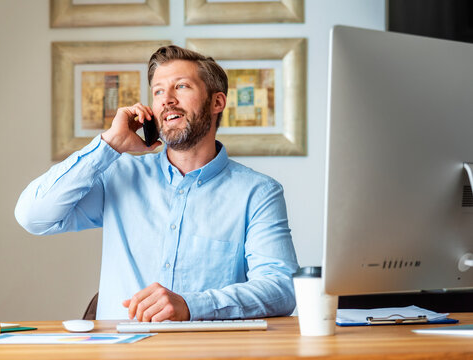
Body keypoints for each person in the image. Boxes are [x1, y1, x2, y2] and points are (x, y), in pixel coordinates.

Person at [15, 45, 298, 321]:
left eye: (182, 87)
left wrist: (191, 305)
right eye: (158, 91)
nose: (167, 100)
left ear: (217, 102)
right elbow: (33, 216)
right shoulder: (118, 175)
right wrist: (109, 145)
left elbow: (281, 288)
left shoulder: (258, 193)